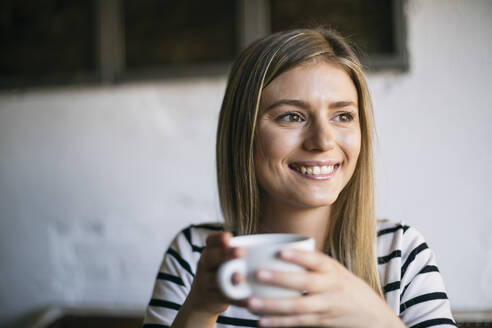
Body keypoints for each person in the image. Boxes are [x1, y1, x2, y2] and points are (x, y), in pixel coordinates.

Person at [142, 28, 455, 328]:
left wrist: (377, 320)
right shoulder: (194, 254)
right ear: (243, 135)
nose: (322, 141)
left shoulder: (400, 255)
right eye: (292, 116)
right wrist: (200, 310)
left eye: (343, 116)